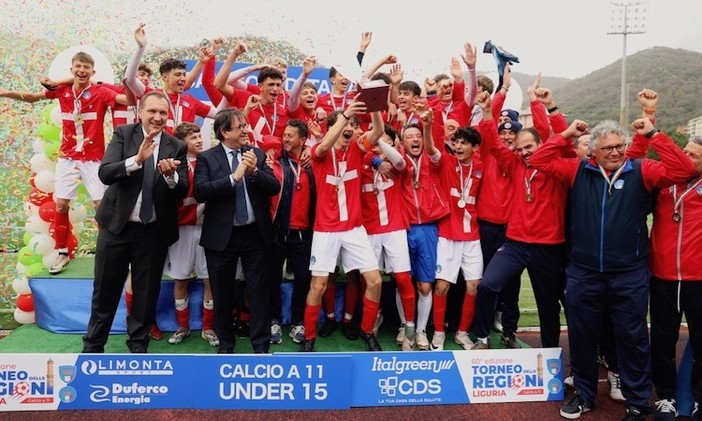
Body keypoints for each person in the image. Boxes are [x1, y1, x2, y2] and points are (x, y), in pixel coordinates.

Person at [528, 117, 696, 420]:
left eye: (620, 146)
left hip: (629, 273)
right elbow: (538, 158)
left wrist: (654, 135)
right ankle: (583, 394)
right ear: (593, 151)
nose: (615, 152)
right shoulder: (577, 170)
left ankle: (636, 402)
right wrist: (566, 134)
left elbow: (683, 169)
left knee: (632, 338)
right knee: (581, 336)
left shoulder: (642, 170)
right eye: (607, 148)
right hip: (584, 271)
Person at [1, 51, 129, 275]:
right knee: (61, 205)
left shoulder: (100, 91)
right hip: (68, 158)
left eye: (86, 67)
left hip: (93, 159)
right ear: (71, 70)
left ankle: (109, 253)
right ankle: (62, 253)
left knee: (101, 206)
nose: (82, 70)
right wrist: (4, 93)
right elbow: (32, 97)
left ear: (93, 71)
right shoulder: (62, 91)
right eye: (78, 66)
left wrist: (134, 86)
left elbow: (127, 100)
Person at [82, 90, 188, 353]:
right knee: (105, 291)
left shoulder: (176, 146)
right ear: (140, 111)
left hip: (152, 233)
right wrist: (137, 160)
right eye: (152, 111)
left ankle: (138, 347)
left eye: (163, 112)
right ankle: (93, 347)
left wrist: (171, 177)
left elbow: (182, 190)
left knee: (146, 294)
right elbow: (105, 173)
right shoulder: (124, 134)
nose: (157, 117)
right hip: (116, 228)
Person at [471, 90, 568, 351]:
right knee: (488, 286)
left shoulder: (557, 167)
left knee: (548, 304)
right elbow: (492, 140)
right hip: (514, 244)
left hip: (547, 247)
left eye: (530, 147)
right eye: (520, 147)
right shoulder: (513, 164)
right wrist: (489, 112)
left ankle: (548, 353)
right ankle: (481, 338)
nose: (525, 152)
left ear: (541, 146)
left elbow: (563, 140)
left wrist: (545, 105)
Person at [300, 98, 385, 352]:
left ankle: (367, 331)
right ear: (334, 127)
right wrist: (344, 116)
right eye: (344, 125)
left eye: (352, 126)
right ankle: (309, 337)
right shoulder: (319, 152)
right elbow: (325, 144)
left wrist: (375, 103)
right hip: (326, 230)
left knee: (375, 281)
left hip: (354, 228)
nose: (349, 129)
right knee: (318, 285)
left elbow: (378, 131)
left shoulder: (358, 149)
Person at [193, 108, 280, 354]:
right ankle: (226, 345)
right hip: (222, 237)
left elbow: (273, 186)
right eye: (240, 126)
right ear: (224, 132)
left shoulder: (257, 155)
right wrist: (234, 177)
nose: (246, 130)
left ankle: (261, 346)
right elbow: (201, 191)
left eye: (245, 125)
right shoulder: (207, 158)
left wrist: (253, 172)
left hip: (255, 235)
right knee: (222, 293)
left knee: (258, 290)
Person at [427, 121, 483, 351]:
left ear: (475, 147)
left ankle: (461, 333)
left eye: (464, 143)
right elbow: (431, 149)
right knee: (442, 287)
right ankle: (439, 332)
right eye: (456, 142)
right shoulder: (447, 162)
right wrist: (427, 125)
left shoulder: (481, 166)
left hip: (472, 235)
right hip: (447, 234)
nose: (458, 147)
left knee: (474, 286)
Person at [360, 124, 416, 350]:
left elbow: (401, 162)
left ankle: (409, 326)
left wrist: (380, 144)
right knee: (370, 282)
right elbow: (358, 154)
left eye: (383, 139)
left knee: (402, 278)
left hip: (394, 228)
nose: (377, 143)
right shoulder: (364, 162)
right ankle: (374, 319)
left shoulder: (397, 161)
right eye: (373, 138)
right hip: (370, 230)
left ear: (393, 143)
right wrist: (374, 160)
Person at [163, 122, 218, 347]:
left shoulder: (211, 161)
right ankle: (182, 326)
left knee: (209, 280)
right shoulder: (174, 164)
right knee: (181, 279)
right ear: (181, 142)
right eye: (193, 137)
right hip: (182, 230)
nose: (198, 139)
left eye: (199, 135)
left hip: (207, 229)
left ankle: (208, 327)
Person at [264, 120, 317, 344]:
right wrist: (273, 147)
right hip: (277, 232)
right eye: (284, 134)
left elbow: (324, 147)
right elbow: (266, 140)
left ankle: (297, 321)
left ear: (303, 140)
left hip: (303, 234)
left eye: (291, 136)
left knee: (304, 279)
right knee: (273, 277)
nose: (286, 139)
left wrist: (310, 151)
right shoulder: (274, 160)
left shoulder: (311, 164)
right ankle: (274, 319)